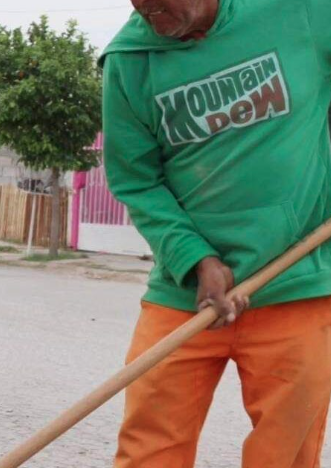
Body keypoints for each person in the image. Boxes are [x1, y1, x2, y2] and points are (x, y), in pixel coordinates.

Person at [100, 0, 331, 466]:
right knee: (149, 449)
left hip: (296, 284)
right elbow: (136, 180)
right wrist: (195, 259)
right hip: (185, 293)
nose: (147, 8)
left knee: (285, 455)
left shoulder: (300, 12)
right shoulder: (129, 61)